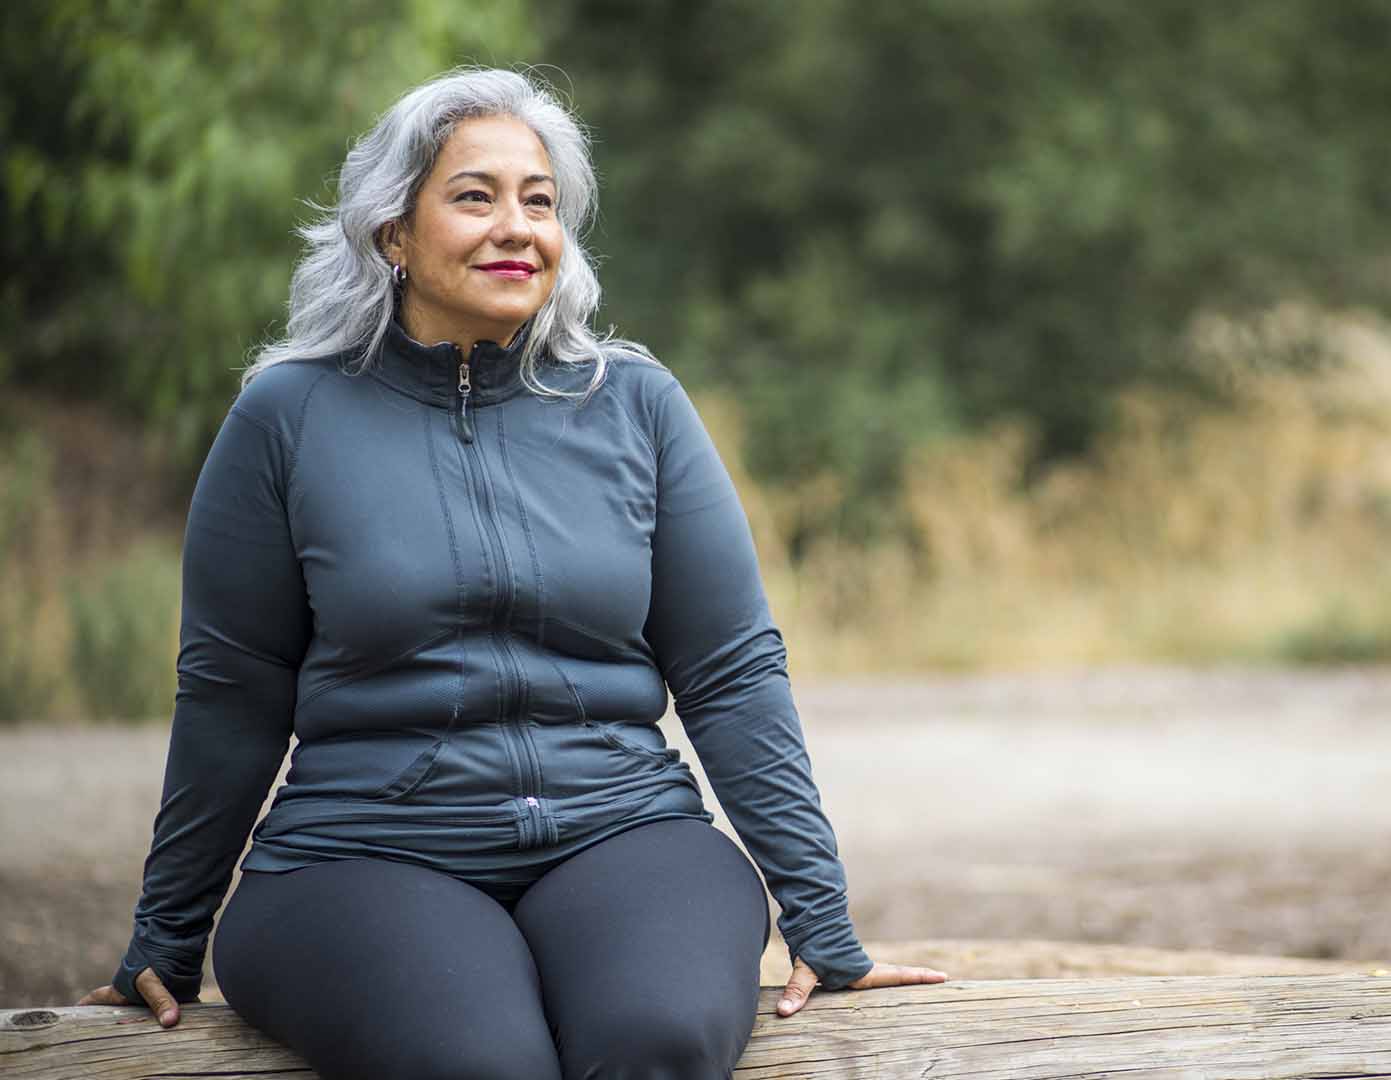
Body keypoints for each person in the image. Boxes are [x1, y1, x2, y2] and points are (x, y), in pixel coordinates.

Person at [76, 66, 946, 1079]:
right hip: (364, 851)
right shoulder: (287, 418)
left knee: (652, 1038)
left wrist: (822, 918)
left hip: (622, 830)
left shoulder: (636, 406)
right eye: (474, 195)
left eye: (540, 201)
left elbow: (731, 670)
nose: (516, 226)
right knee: (480, 1060)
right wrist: (167, 935)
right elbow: (233, 691)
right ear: (390, 234)